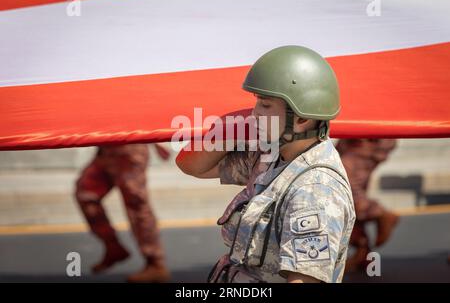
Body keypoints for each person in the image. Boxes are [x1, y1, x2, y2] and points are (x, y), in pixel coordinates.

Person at [176, 46, 356, 283]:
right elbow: (192, 166)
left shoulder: (314, 191)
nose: (254, 113)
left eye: (266, 105)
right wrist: (229, 130)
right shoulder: (273, 156)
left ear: (302, 118)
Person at [75, 143, 171, 283]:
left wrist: (158, 142)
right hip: (107, 146)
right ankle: (113, 248)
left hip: (130, 147)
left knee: (136, 204)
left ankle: (155, 263)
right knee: (86, 194)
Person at [335, 139, 399, 271]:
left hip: (363, 145)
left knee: (347, 197)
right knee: (349, 198)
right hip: (355, 143)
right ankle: (363, 252)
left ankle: (380, 213)